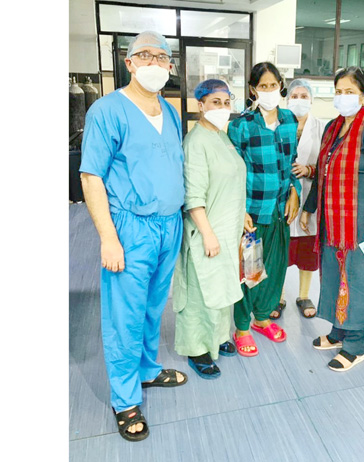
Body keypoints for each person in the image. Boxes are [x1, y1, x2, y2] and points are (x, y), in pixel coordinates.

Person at [79, 30, 188, 442]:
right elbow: (91, 177)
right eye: (145, 56)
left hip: (168, 226)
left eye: (162, 57)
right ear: (129, 63)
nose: (155, 64)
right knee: (124, 316)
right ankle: (125, 399)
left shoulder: (170, 111)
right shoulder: (108, 111)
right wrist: (108, 236)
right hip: (130, 228)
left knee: (152, 308)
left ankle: (145, 369)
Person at [299, 66, 364, 372]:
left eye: (350, 91)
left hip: (362, 225)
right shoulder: (333, 127)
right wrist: (309, 207)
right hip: (333, 223)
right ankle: (339, 331)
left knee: (358, 282)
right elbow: (322, 173)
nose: (343, 97)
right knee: (334, 276)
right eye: (338, 91)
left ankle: (357, 344)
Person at [172, 80, 245, 379]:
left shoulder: (222, 137)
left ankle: (215, 338)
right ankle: (197, 349)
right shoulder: (196, 141)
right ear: (200, 105)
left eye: (226, 102)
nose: (223, 108)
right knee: (200, 294)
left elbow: (230, 180)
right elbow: (193, 196)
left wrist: (244, 217)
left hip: (227, 229)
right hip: (207, 232)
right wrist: (208, 233)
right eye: (215, 102)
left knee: (220, 290)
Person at [227, 62, 301, 356]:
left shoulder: (289, 119)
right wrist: (240, 209)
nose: (269, 91)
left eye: (274, 85)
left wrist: (294, 189)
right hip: (253, 211)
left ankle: (261, 319)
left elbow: (290, 163)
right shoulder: (241, 125)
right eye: (263, 86)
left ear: (281, 85)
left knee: (275, 269)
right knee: (251, 271)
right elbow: (232, 172)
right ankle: (243, 327)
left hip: (281, 210)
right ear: (253, 90)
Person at [272, 78, 325, 320]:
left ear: (311, 100)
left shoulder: (322, 128)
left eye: (304, 96)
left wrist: (310, 170)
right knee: (281, 249)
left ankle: (304, 295)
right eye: (295, 96)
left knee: (307, 250)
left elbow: (327, 163)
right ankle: (278, 296)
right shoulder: (277, 124)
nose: (299, 100)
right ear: (287, 98)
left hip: (310, 196)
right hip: (282, 196)